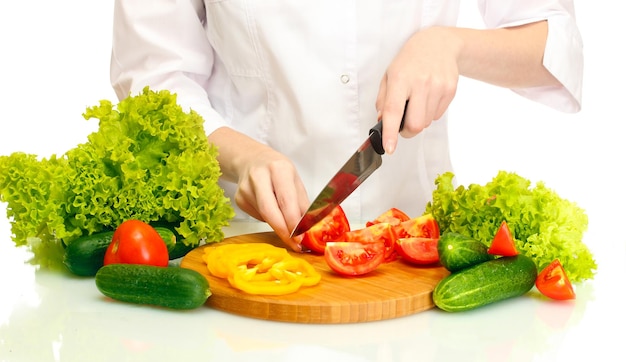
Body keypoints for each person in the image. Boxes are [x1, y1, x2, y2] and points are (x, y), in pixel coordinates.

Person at [110, 1, 583, 252]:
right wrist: (243, 155)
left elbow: (553, 44)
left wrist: (450, 45)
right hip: (247, 241)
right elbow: (152, 76)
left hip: (409, 247)